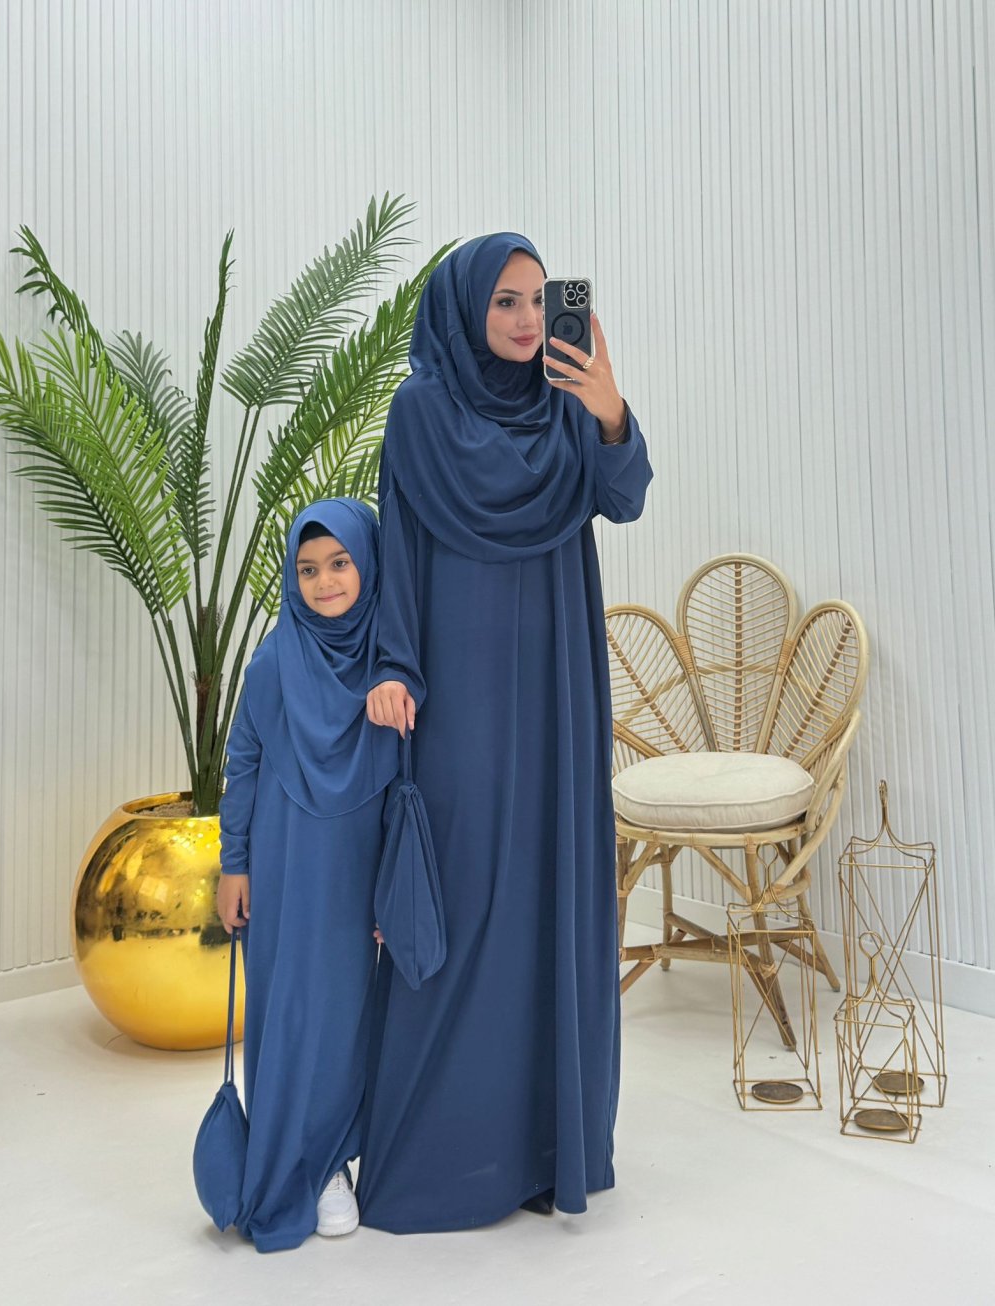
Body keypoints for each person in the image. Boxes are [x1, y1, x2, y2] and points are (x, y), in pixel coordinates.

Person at [358, 233, 652, 1233]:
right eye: (505, 303)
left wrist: (608, 409)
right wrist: (395, 665)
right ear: (464, 311)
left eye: (537, 299)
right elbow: (401, 541)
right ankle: (438, 1155)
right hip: (461, 693)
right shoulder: (420, 411)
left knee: (550, 892)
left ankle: (544, 1147)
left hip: (559, 686)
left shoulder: (567, 403)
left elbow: (624, 498)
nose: (528, 320)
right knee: (470, 891)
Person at [216, 498, 397, 1252]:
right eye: (308, 569)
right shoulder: (273, 660)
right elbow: (243, 763)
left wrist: (392, 885)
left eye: (340, 563)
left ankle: (334, 1160)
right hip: (286, 861)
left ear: (369, 563)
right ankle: (293, 1166)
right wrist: (234, 864)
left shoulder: (389, 663)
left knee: (348, 1015)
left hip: (357, 867)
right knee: (288, 1012)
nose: (324, 582)